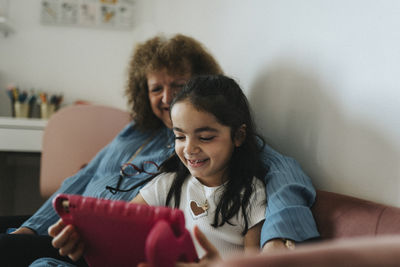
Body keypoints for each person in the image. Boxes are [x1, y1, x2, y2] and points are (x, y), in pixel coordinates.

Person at [0, 34, 319, 267]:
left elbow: (283, 176)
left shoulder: (221, 161)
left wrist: (279, 242)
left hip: (101, 243)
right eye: (156, 88)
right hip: (81, 230)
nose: (166, 98)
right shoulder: (138, 132)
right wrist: (33, 226)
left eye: (178, 87)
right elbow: (83, 178)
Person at [49, 75, 268, 263]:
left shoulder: (251, 193)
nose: (189, 148)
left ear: (238, 136)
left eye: (205, 137)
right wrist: (83, 234)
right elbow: (118, 227)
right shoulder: (167, 185)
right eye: (180, 136)